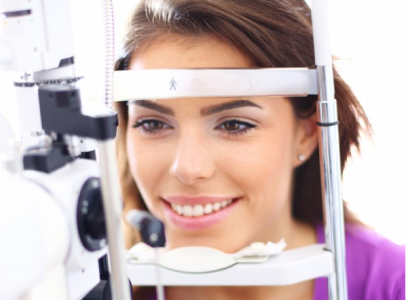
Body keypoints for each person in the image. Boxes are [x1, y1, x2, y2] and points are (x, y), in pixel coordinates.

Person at [114, 0, 405, 299]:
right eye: (152, 124)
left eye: (233, 125)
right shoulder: (95, 285)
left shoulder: (394, 283)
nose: (189, 169)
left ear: (306, 134)